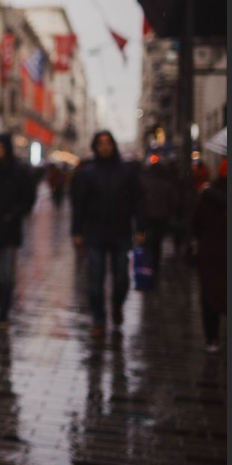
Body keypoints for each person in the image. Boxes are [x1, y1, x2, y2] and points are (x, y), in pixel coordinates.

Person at [71, 130, 145, 337]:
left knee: (121, 278)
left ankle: (117, 305)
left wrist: (140, 227)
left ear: (113, 145)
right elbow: (79, 205)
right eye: (100, 143)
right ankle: (98, 318)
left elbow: (138, 200)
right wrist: (76, 231)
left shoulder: (126, 171)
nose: (104, 147)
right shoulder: (88, 173)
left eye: (108, 143)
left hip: (121, 233)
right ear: (95, 146)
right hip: (95, 233)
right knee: (95, 281)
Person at [0, 134, 36, 327]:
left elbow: (28, 197)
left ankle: (4, 310)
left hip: (10, 228)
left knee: (6, 273)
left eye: (1, 148)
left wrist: (13, 214)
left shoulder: (19, 171)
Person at [191, 158, 226, 353]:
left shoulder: (208, 195)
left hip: (211, 254)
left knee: (210, 295)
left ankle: (212, 338)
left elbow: (196, 223)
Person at [140, 160, 179, 276]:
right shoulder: (167, 183)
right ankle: (154, 264)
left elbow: (139, 200)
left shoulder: (144, 182)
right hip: (162, 217)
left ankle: (147, 264)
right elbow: (174, 201)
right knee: (157, 242)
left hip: (147, 216)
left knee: (148, 241)